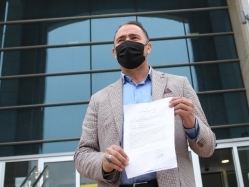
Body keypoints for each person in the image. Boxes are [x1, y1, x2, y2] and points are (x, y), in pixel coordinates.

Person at [74, 21, 216, 187]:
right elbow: (82, 155)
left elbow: (208, 148)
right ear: (114, 52)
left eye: (134, 38)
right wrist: (104, 162)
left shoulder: (179, 85)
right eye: (121, 40)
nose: (127, 43)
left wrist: (192, 125)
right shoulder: (99, 100)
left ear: (148, 47)